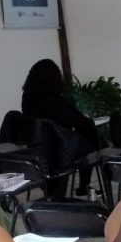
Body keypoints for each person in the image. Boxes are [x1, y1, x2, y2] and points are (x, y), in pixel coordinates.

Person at [21, 58, 99, 198]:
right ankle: (85, 185)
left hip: (38, 150)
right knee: (90, 140)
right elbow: (81, 122)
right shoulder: (56, 102)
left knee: (87, 135)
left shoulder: (27, 100)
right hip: (61, 151)